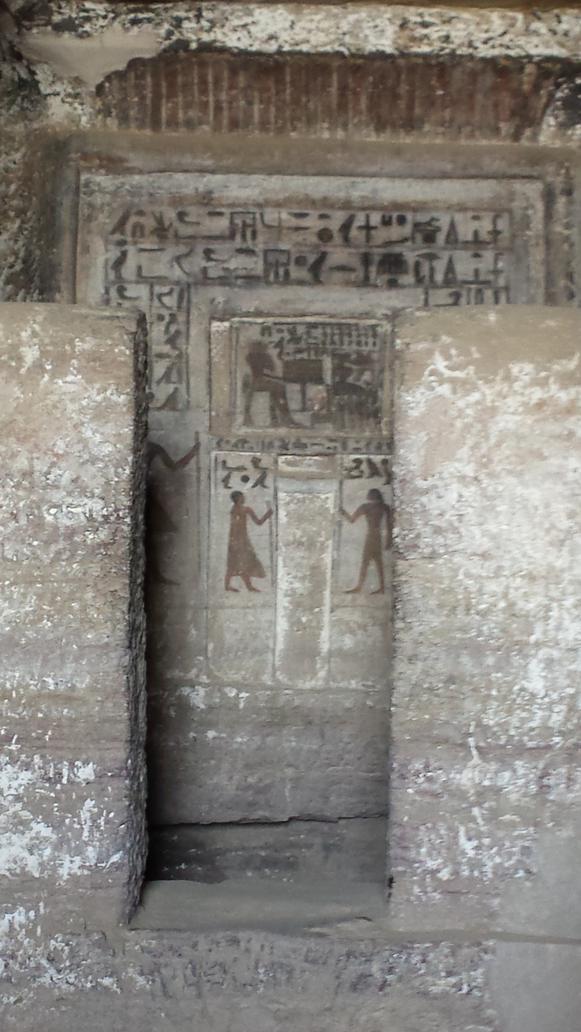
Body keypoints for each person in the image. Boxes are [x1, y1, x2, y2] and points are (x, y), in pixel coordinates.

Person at [340, 488, 392, 594]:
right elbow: (389, 525)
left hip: (370, 536)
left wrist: (343, 512)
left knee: (366, 562)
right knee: (378, 562)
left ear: (370, 496)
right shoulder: (384, 507)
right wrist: (388, 540)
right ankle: (381, 587)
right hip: (378, 537)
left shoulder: (366, 507)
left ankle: (359, 587)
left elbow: (352, 519)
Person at [224, 491, 273, 592]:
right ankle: (235, 586)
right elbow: (259, 522)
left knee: (240, 563)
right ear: (238, 498)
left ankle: (246, 586)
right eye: (242, 497)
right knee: (239, 563)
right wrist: (268, 514)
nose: (244, 498)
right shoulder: (244, 509)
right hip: (240, 540)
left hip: (236, 540)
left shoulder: (234, 509)